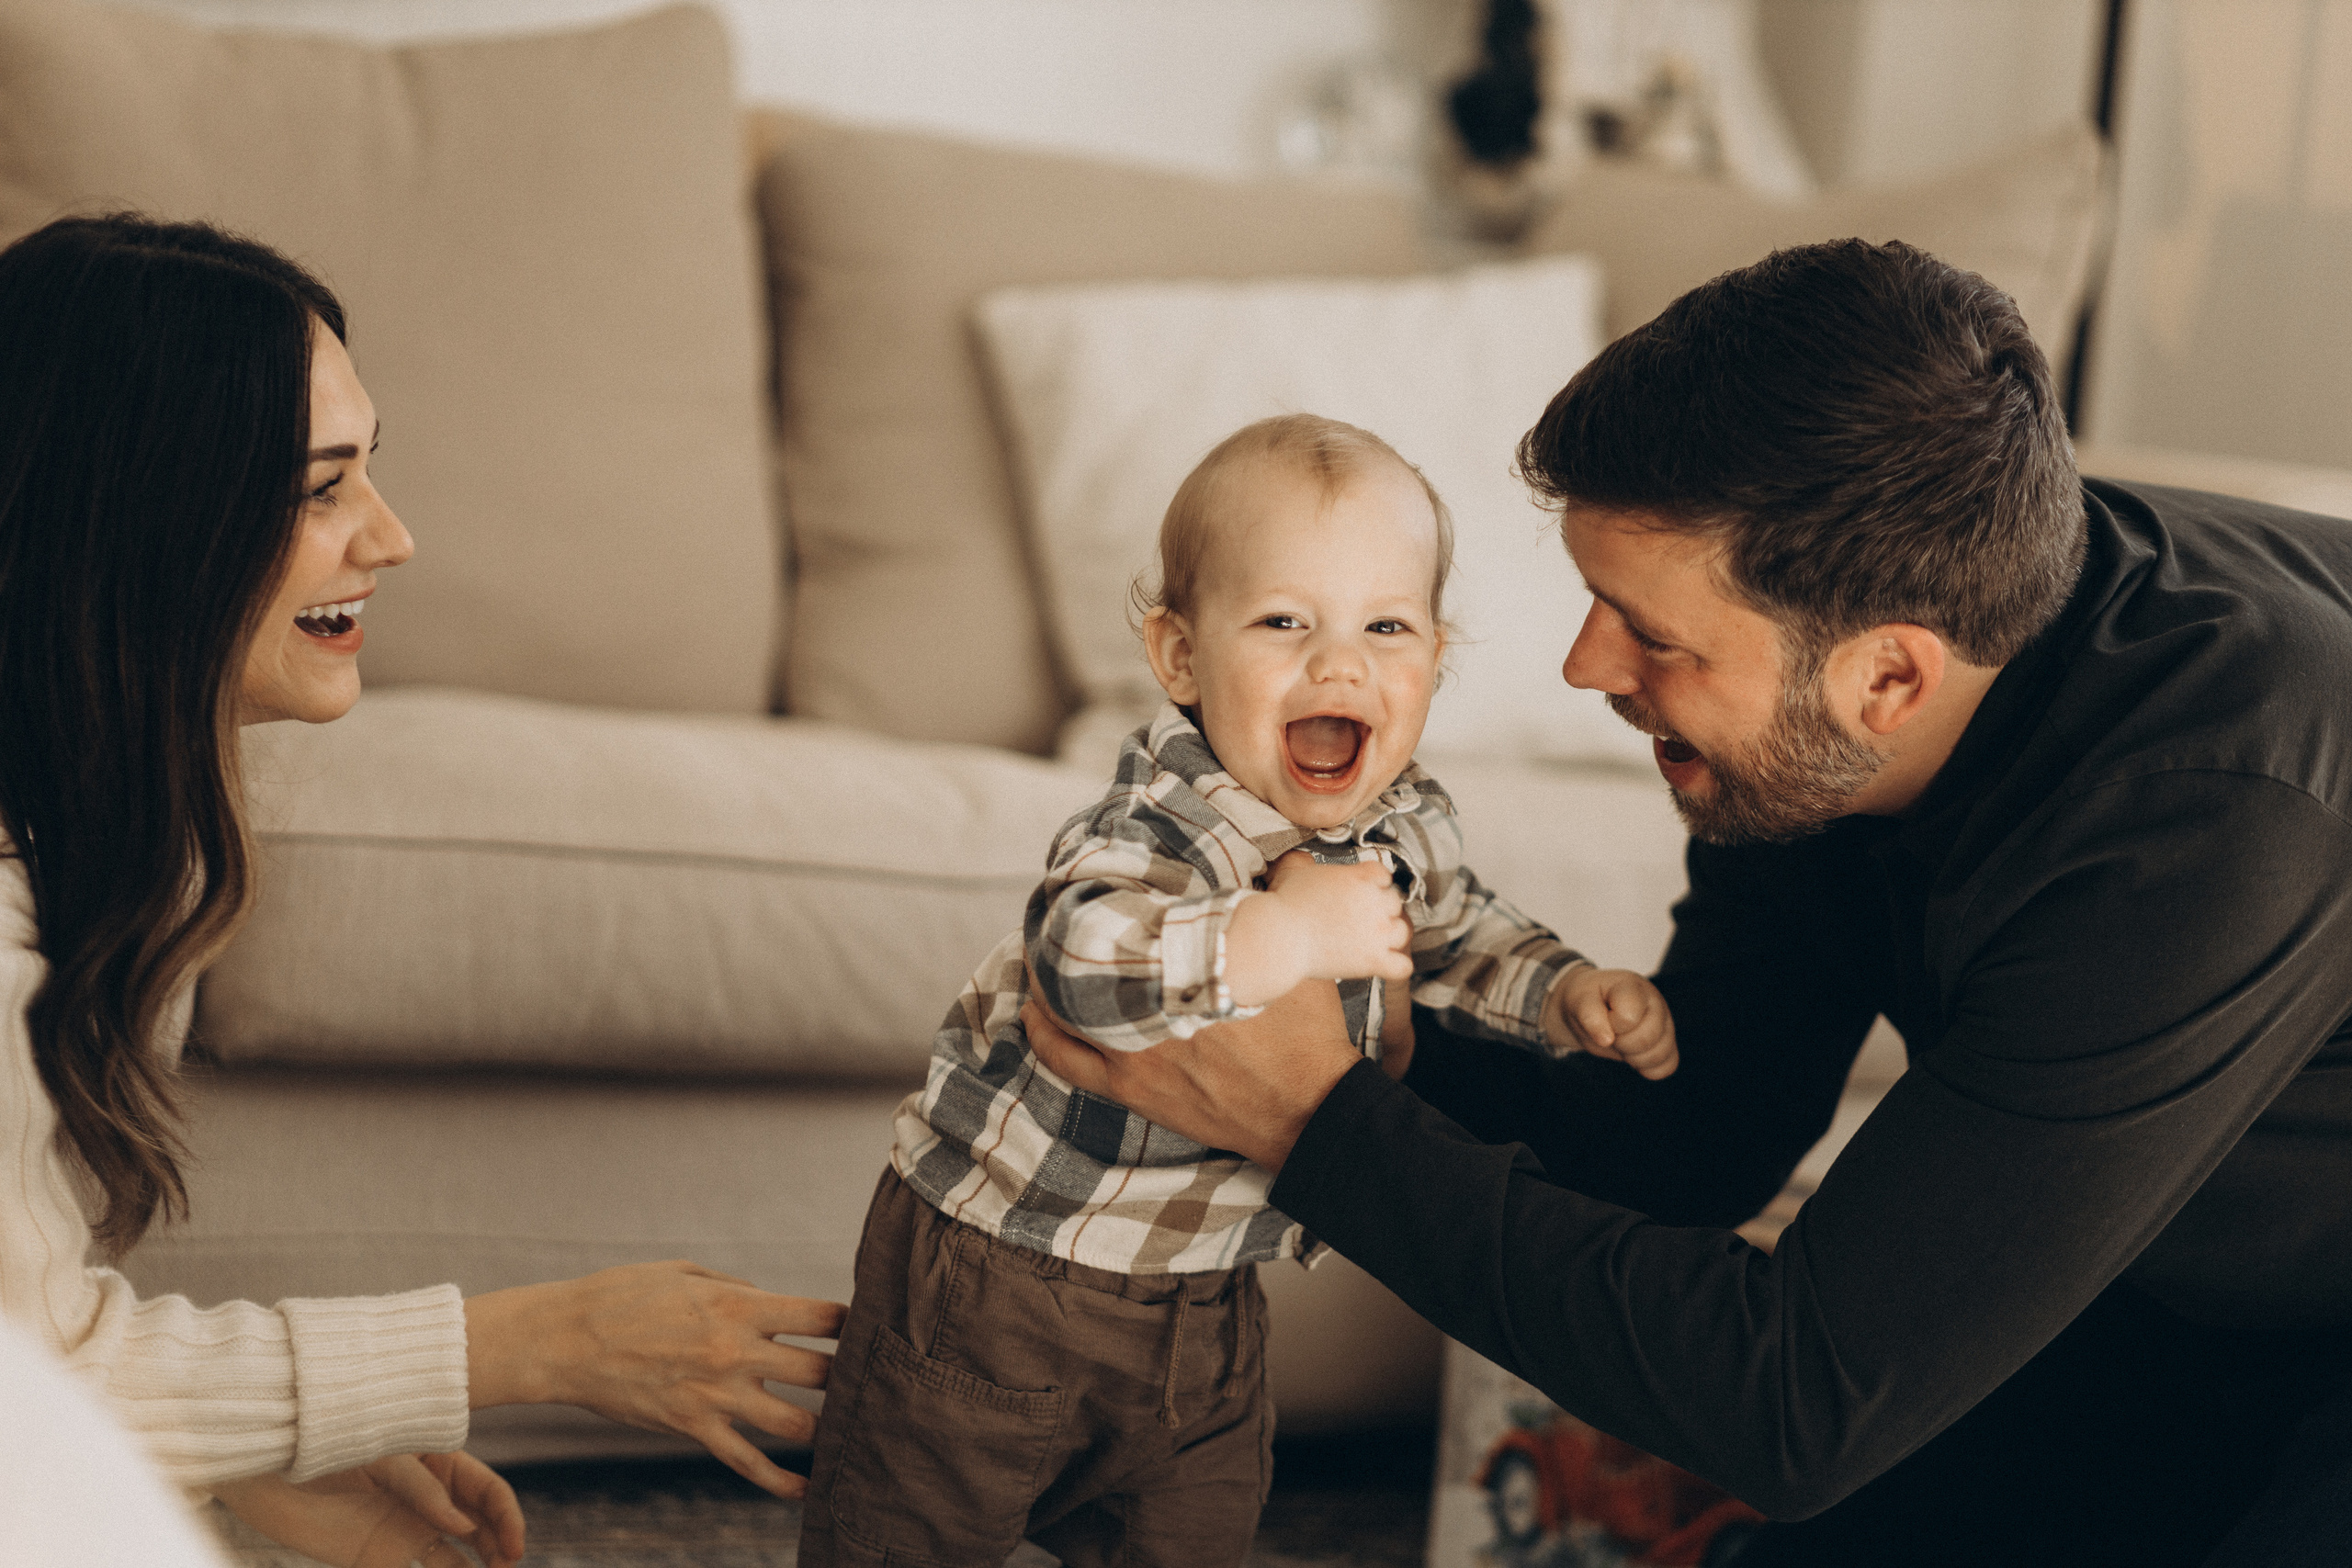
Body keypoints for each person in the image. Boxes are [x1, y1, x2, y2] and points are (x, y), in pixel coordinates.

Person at [1022, 240, 2352, 1567]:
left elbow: (1792, 1403)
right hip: (2173, 1268)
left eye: (1650, 631)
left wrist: (1313, 1118)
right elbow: (1698, 1143)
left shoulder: (2210, 811)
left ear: (1889, 680)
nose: (1586, 661)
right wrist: (1382, 1045)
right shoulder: (1862, 649)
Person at [0, 214, 845, 1568]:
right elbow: (23, 1395)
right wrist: (540, 1339)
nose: (390, 537)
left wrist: (247, 1452)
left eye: (370, 473)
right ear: (146, 518)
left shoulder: (73, 843)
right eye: (320, 487)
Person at [797, 414, 1673, 1567]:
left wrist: (1562, 994)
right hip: (1001, 1276)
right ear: (1179, 657)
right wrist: (1278, 934)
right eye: (1282, 623)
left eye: (1387, 627)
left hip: (1203, 1303)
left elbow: (1455, 936)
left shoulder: (1403, 822)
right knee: (907, 1530)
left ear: (1436, 660)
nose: (1339, 663)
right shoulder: (1166, 822)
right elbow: (1083, 963)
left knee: (1193, 1531)